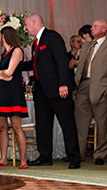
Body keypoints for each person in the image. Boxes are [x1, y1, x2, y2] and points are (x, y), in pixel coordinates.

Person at [20, 13, 81, 169]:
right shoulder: (36, 42)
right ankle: (45, 156)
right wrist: (15, 65)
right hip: (41, 89)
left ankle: (74, 157)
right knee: (43, 124)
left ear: (34, 23)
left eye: (26, 25)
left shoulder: (52, 37)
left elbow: (62, 61)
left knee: (67, 123)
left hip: (58, 88)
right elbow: (36, 64)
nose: (26, 29)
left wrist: (63, 84)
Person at [74, 19, 107, 165]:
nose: (92, 28)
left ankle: (100, 154)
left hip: (101, 89)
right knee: (80, 123)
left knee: (102, 124)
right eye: (92, 26)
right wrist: (75, 86)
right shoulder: (86, 46)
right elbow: (80, 67)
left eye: (95, 26)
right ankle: (79, 154)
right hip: (83, 86)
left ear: (104, 29)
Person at [0, 26, 29, 169]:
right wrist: (2, 74)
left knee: (17, 127)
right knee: (2, 127)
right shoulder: (3, 55)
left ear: (4, 36)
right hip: (1, 92)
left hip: (13, 93)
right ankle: (3, 158)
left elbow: (10, 72)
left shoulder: (17, 50)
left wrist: (1, 73)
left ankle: (23, 160)